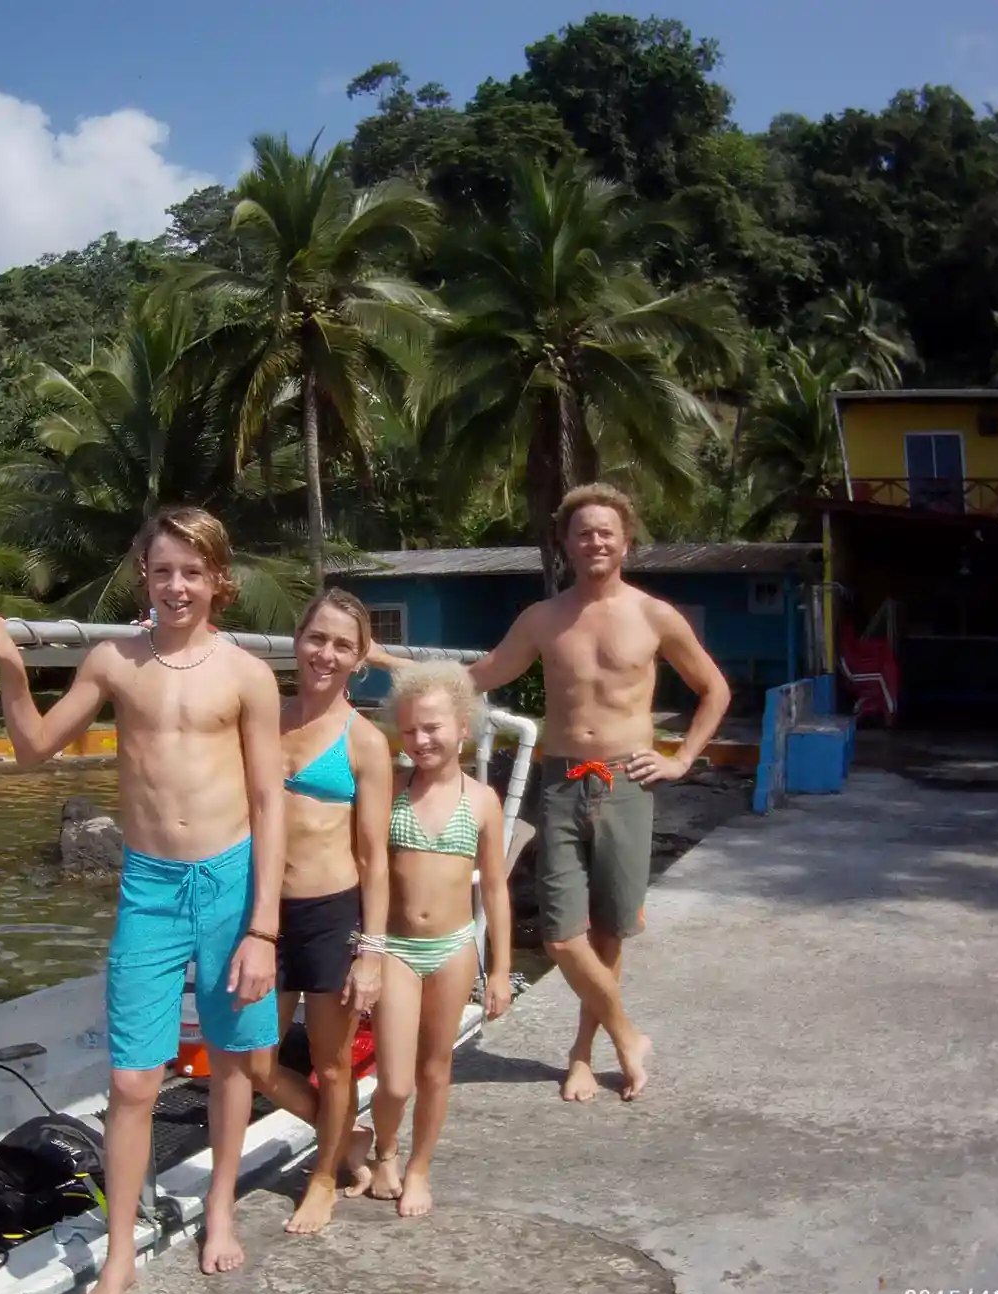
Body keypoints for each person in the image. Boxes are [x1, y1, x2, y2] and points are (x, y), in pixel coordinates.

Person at [0, 506, 284, 1294]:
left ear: (218, 579)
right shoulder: (114, 661)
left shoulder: (246, 675)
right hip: (148, 888)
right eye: (163, 569)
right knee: (134, 1081)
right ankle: (120, 1251)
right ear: (145, 572)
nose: (177, 586)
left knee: (235, 1060)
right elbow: (33, 749)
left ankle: (219, 1211)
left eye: (193, 572)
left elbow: (272, 801)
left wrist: (264, 928)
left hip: (231, 883)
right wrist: (11, 668)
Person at [369, 483, 730, 1103]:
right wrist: (381, 658)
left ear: (625, 540)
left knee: (610, 932)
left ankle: (584, 1054)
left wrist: (681, 759)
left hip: (626, 782)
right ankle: (628, 1036)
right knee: (563, 936)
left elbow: (714, 690)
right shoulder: (542, 619)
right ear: (565, 543)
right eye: (582, 532)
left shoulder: (654, 616)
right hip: (561, 781)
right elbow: (472, 678)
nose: (595, 541)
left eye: (605, 531)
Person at [249, 590, 392, 1235]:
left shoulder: (365, 743)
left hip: (332, 914)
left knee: (332, 1064)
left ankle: (325, 1177)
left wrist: (372, 950)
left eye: (343, 645)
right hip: (262, 915)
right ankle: (347, 1142)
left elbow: (375, 856)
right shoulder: (262, 719)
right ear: (296, 640)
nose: (326, 654)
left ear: (360, 658)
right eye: (317, 639)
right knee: (256, 1061)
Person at [365, 663, 513, 1216]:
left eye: (432, 728)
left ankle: (419, 1167)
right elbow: (370, 870)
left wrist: (498, 970)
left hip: (453, 949)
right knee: (396, 1080)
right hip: (399, 949)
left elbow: (495, 889)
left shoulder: (482, 802)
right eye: (408, 731)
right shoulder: (391, 793)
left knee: (436, 1069)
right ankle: (384, 1149)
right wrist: (368, 948)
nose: (421, 740)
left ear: (463, 727)